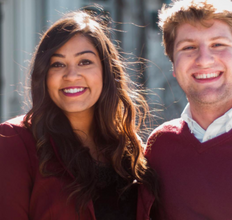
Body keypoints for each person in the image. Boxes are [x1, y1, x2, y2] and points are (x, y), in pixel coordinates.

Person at [0, 10, 158, 220]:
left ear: (106, 71)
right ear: (44, 75)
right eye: (57, 64)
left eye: (85, 62)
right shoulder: (13, 141)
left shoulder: (128, 147)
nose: (71, 75)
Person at [142, 0, 232, 219]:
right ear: (174, 65)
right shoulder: (160, 146)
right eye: (188, 47)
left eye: (218, 44)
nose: (204, 60)